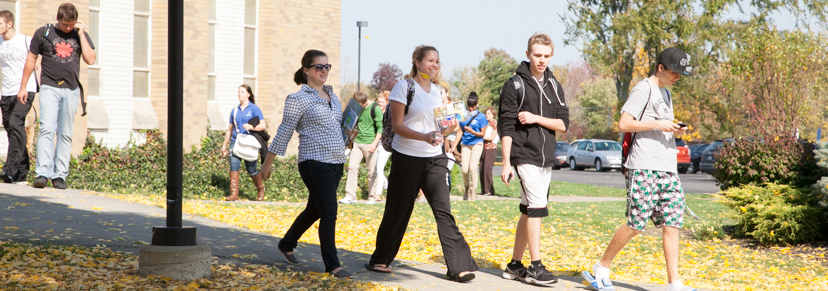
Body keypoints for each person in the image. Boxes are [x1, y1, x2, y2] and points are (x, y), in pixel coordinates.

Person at [581, 47, 696, 291]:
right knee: (637, 222)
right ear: (661, 67)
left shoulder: (666, 93)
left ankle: (674, 283)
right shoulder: (643, 88)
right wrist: (658, 124)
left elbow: (659, 126)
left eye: (681, 73)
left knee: (673, 222)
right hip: (643, 166)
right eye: (674, 71)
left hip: (667, 167)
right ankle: (602, 267)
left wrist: (675, 129)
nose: (677, 76)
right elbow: (624, 123)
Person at [365, 45, 478, 282]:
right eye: (430, 61)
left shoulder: (438, 91)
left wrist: (451, 126)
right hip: (406, 157)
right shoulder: (403, 87)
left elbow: (442, 126)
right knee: (398, 210)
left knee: (443, 211)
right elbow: (397, 126)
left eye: (437, 61)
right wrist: (424, 136)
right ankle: (380, 259)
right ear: (417, 62)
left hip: (434, 158)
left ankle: (458, 267)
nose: (434, 65)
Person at [259, 49, 352, 278]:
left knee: (315, 209)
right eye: (318, 67)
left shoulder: (334, 97)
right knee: (329, 211)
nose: (324, 71)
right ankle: (332, 265)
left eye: (327, 66)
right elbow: (284, 131)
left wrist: (349, 134)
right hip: (313, 161)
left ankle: (287, 243)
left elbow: (334, 132)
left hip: (336, 162)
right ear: (306, 70)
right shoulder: (297, 98)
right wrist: (267, 163)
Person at [498, 33, 569, 285]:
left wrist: (536, 118)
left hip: (545, 158)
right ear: (528, 54)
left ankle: (515, 266)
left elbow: (562, 124)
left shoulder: (554, 85)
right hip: (523, 154)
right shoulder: (514, 84)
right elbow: (505, 126)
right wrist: (506, 162)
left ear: (551, 56)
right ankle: (535, 267)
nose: (541, 60)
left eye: (546, 56)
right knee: (537, 208)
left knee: (529, 211)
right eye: (537, 55)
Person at [18, 3, 95, 189]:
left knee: (66, 132)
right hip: (49, 87)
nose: (68, 28)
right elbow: (31, 59)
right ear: (58, 19)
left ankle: (60, 175)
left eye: (71, 24)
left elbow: (91, 59)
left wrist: (82, 34)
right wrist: (23, 87)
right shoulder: (43, 33)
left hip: (71, 89)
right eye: (65, 24)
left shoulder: (79, 34)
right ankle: (43, 173)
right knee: (46, 127)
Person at [0, 10, 40, 184]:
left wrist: (42, 88)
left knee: (16, 124)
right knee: (11, 129)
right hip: (6, 91)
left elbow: (37, 65)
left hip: (25, 89)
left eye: (0, 23)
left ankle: (9, 169)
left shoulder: (26, 41)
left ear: (9, 24)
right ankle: (22, 171)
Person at [220, 84, 266, 201]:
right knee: (234, 166)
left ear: (248, 94)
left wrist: (251, 126)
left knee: (252, 170)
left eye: (242, 92)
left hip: (249, 143)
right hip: (235, 142)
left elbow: (263, 126)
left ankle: (260, 189)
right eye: (238, 92)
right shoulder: (234, 111)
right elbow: (229, 130)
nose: (239, 94)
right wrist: (224, 145)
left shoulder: (254, 108)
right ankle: (234, 194)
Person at [340, 91, 384, 204]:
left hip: (370, 143)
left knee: (371, 171)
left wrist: (374, 144)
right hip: (358, 142)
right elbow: (359, 125)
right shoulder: (358, 108)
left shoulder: (375, 108)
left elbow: (380, 128)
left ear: (364, 102)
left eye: (360, 105)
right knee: (352, 168)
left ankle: (373, 197)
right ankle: (350, 196)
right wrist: (352, 131)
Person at [458, 92, 488, 201]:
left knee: (472, 168)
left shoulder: (481, 117)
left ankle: (473, 192)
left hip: (477, 143)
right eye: (469, 106)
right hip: (465, 144)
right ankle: (467, 188)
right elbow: (460, 131)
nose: (471, 108)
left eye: (473, 106)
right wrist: (454, 145)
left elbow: (483, 134)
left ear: (476, 104)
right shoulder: (463, 116)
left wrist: (473, 132)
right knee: (464, 169)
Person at [372, 91, 391, 199]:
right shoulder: (376, 113)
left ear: (386, 102)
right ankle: (387, 186)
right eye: (378, 102)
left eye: (382, 102)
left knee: (379, 167)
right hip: (377, 143)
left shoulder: (388, 113)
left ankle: (378, 194)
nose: (379, 104)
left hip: (385, 144)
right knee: (376, 168)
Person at [479, 107, 498, 196]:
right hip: (483, 147)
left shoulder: (494, 123)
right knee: (482, 168)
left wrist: (479, 136)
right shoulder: (485, 123)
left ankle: (489, 190)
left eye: (489, 113)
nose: (487, 115)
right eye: (486, 113)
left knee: (487, 169)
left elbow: (491, 137)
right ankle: (484, 189)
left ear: (493, 114)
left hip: (490, 148)